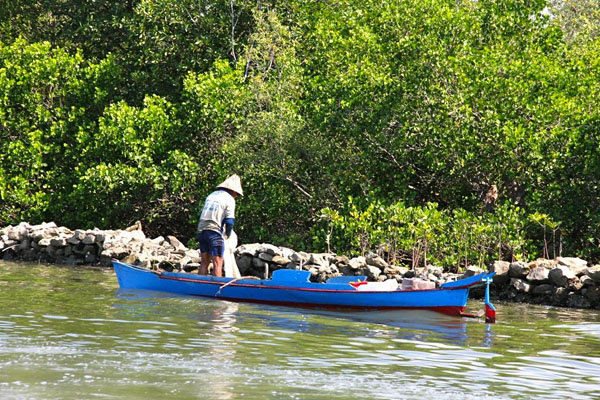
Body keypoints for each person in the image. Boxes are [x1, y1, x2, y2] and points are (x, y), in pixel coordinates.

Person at [196, 174, 243, 277]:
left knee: (204, 262)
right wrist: (228, 234)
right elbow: (229, 222)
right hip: (214, 232)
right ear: (234, 191)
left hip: (201, 231)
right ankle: (217, 289)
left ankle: (198, 285)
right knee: (218, 263)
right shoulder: (229, 199)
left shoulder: (211, 195)